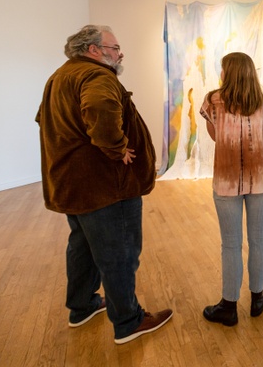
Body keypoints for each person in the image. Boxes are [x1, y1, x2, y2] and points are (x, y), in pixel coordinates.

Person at [35, 25, 173, 345]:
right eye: (115, 47)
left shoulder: (59, 77)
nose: (119, 53)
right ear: (94, 50)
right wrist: (116, 147)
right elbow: (98, 108)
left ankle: (82, 307)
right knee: (119, 254)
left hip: (72, 184)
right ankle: (128, 321)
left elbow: (45, 119)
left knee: (82, 248)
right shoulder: (97, 77)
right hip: (105, 187)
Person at [200, 52, 263, 326]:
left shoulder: (212, 101)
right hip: (259, 181)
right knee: (258, 239)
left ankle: (229, 305)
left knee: (231, 244)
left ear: (228, 72)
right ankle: (258, 297)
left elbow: (214, 137)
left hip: (225, 182)